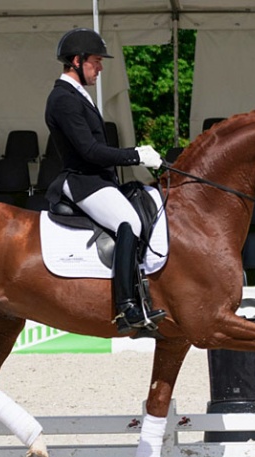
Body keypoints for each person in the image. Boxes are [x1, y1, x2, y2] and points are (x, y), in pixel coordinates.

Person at [45, 27, 166, 334]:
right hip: (83, 181)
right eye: (96, 61)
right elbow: (89, 151)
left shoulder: (78, 95)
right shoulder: (63, 98)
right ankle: (126, 307)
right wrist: (135, 155)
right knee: (130, 222)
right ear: (77, 60)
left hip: (98, 180)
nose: (100, 67)